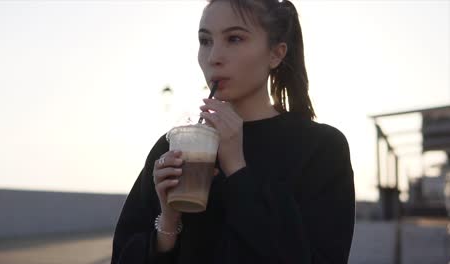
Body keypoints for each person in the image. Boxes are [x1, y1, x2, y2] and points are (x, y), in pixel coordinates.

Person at [111, 0, 355, 263]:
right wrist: (168, 224)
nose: (214, 56)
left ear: (276, 54)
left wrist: (237, 169)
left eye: (235, 39)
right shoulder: (174, 147)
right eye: (205, 41)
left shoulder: (321, 148)